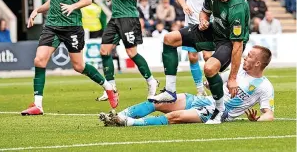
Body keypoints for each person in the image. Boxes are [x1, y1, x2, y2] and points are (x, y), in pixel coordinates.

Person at [22, 0, 118, 115]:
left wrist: (73, 6)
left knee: (79, 66)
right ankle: (38, 105)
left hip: (72, 26)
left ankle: (109, 88)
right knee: (39, 60)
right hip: (52, 25)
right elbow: (54, 1)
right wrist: (37, 10)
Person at [153, 0, 250, 125]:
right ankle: (170, 91)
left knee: (209, 68)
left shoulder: (236, 8)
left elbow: (238, 45)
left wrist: (232, 79)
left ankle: (219, 110)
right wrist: (203, 20)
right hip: (213, 30)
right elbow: (204, 12)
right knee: (169, 38)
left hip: (229, 41)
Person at [100, 46, 274, 127]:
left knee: (175, 116)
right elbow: (217, 81)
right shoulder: (237, 73)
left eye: (249, 56)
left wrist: (257, 120)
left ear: (258, 63)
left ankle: (129, 123)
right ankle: (117, 116)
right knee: (160, 101)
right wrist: (208, 82)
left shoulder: (264, 86)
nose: (245, 57)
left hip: (217, 112)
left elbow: (269, 115)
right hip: (203, 100)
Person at [97, 0, 158, 102]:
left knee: (131, 53)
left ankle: (151, 81)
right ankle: (111, 88)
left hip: (128, 17)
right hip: (115, 17)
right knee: (104, 51)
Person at [175, 0, 217, 96]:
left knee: (208, 56)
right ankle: (200, 90)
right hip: (192, 22)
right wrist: (185, 5)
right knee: (192, 57)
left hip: (209, 23)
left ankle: (212, 83)